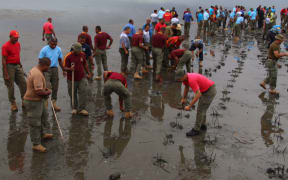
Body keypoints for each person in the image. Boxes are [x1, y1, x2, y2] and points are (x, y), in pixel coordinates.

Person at [23, 57, 53, 152]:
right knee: (35, 123)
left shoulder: (35, 69)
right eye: (48, 66)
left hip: (38, 101)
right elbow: (38, 91)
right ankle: (36, 144)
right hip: (33, 101)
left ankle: (43, 134)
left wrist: (45, 90)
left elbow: (39, 89)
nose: (49, 68)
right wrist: (47, 93)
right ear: (44, 65)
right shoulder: (37, 74)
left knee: (43, 117)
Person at [176, 70, 217, 137]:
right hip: (205, 89)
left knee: (200, 110)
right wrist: (184, 98)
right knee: (202, 109)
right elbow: (186, 87)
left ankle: (196, 130)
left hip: (209, 91)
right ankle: (203, 125)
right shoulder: (185, 79)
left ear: (184, 76)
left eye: (179, 78)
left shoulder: (191, 80)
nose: (178, 79)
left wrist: (189, 106)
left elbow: (198, 94)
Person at [64, 43, 92, 115]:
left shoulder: (82, 54)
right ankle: (74, 108)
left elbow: (85, 64)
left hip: (82, 77)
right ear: (74, 49)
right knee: (72, 93)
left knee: (83, 92)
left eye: (80, 50)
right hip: (71, 79)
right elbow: (64, 67)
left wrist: (88, 73)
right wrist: (70, 68)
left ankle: (82, 109)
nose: (79, 52)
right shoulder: (68, 57)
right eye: (78, 50)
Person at [2, 30, 27, 112]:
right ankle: (13, 103)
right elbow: (4, 60)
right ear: (10, 37)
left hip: (17, 65)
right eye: (15, 38)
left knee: (23, 83)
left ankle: (24, 100)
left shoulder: (18, 44)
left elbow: (17, 55)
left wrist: (20, 65)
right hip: (9, 66)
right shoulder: (5, 46)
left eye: (17, 38)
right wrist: (5, 73)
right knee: (10, 85)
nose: (16, 39)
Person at [39, 38, 64, 112]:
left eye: (55, 44)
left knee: (55, 86)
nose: (54, 46)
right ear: (49, 42)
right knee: (47, 86)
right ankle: (45, 103)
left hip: (55, 68)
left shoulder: (58, 49)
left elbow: (60, 60)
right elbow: (40, 61)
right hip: (46, 69)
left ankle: (54, 103)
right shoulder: (44, 49)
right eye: (52, 44)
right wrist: (40, 71)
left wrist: (63, 70)